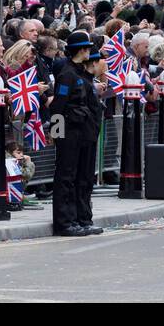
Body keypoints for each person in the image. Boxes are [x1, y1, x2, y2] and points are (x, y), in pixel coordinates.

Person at [46, 30, 103, 236]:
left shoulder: (79, 73)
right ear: (81, 50)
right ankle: (65, 222)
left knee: (81, 177)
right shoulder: (67, 75)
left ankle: (80, 219)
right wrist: (57, 135)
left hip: (82, 133)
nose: (90, 51)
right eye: (87, 47)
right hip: (69, 134)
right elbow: (58, 107)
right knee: (66, 177)